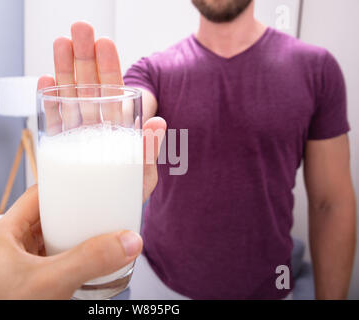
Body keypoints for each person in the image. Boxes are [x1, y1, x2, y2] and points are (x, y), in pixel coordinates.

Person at [123, 0, 356, 299]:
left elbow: (330, 204)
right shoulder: (152, 71)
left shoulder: (316, 69)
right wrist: (106, 123)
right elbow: (131, 111)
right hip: (157, 285)